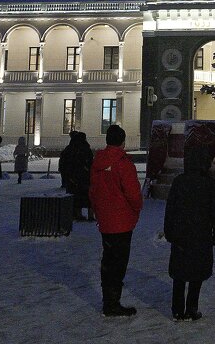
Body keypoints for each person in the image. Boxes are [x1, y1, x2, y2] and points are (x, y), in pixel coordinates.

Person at [163, 146, 215, 321]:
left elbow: (170, 209)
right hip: (201, 234)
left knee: (179, 274)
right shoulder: (208, 183)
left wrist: (169, 231)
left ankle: (177, 310)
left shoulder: (179, 181)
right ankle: (191, 308)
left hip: (181, 235)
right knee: (197, 273)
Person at [89, 124, 143, 317]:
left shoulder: (98, 162)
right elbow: (133, 194)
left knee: (108, 260)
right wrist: (137, 208)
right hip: (122, 220)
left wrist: (97, 211)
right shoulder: (123, 163)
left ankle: (109, 300)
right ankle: (113, 303)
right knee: (118, 263)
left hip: (106, 220)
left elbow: (93, 191)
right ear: (122, 142)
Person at [59, 130, 94, 221]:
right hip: (84, 177)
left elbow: (64, 161)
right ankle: (90, 215)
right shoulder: (86, 148)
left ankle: (77, 214)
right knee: (88, 196)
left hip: (73, 177)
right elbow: (90, 162)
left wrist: (67, 174)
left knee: (76, 196)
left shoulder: (70, 148)